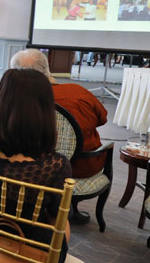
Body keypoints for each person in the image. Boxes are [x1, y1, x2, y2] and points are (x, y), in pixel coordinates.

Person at [0, 68, 72, 263]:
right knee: (63, 224)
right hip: (28, 254)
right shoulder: (55, 165)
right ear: (45, 111)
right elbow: (57, 224)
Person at [10, 49, 108, 223]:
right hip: (83, 164)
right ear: (46, 67)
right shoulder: (77, 92)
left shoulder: (19, 101)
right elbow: (102, 119)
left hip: (36, 165)